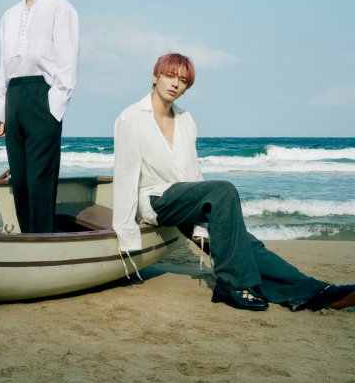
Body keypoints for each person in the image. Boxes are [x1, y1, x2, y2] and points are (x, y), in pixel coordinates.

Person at [112, 53, 355, 312]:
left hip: (185, 199)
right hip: (155, 200)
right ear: (155, 76)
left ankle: (318, 292)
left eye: (182, 80)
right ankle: (232, 285)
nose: (175, 84)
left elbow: (193, 174)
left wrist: (203, 217)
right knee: (223, 190)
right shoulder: (131, 119)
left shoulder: (186, 120)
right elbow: (125, 177)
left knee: (244, 243)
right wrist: (126, 234)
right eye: (170, 76)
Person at [0, 0, 79, 233]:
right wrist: (1, 107)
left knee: (40, 179)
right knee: (21, 180)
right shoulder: (9, 15)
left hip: (42, 95)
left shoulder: (60, 7)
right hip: (14, 96)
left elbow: (67, 62)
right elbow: (4, 64)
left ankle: (44, 245)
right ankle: (29, 243)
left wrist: (54, 107)